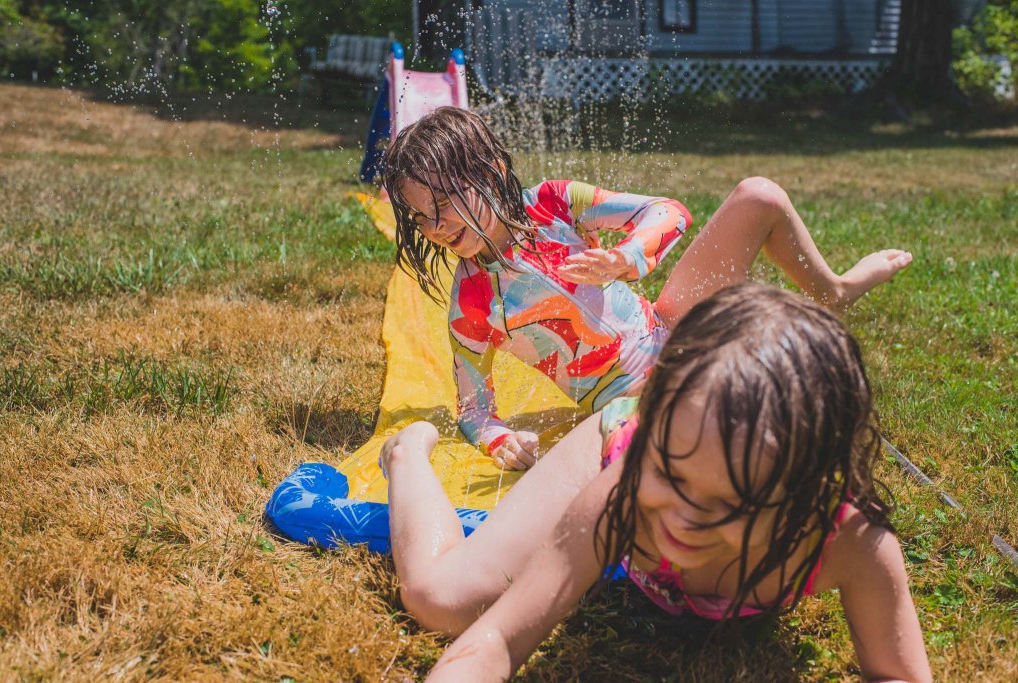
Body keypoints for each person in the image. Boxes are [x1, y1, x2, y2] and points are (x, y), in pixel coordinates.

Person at [380, 284, 932, 682]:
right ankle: (407, 456)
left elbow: (898, 674)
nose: (683, 518)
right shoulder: (626, 483)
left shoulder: (848, 542)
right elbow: (497, 639)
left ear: (807, 493)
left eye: (731, 502)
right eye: (672, 476)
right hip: (620, 437)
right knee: (442, 599)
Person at [383, 106, 912, 470]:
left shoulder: (552, 203)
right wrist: (502, 441)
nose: (435, 227)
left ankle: (834, 291)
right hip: (633, 399)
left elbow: (667, 212)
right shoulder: (472, 304)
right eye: (420, 217)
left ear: (490, 170)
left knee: (759, 196)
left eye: (444, 204)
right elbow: (475, 410)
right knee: (721, 428)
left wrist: (626, 257)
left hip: (673, 326)